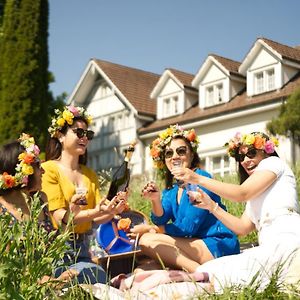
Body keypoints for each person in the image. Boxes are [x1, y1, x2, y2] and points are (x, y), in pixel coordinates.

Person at [172, 131, 300, 291]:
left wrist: (197, 178)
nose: (246, 161)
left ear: (266, 152)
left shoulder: (273, 162)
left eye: (251, 153)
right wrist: (211, 206)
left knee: (222, 276)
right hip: (270, 246)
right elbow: (242, 227)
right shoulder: (255, 196)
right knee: (213, 269)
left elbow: (241, 193)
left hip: (288, 238)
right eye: (241, 157)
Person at [130, 124, 240, 273]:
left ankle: (202, 274)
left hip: (217, 243)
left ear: (192, 155)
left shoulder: (201, 179)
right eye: (169, 153)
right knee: (143, 269)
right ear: (164, 160)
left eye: (181, 151)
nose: (174, 156)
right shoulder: (172, 189)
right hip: (193, 243)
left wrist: (150, 229)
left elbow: (188, 227)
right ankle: (191, 270)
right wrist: (155, 199)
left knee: (147, 241)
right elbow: (160, 219)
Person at [42, 105, 128, 284]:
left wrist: (113, 211)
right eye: (78, 133)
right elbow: (60, 217)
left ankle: (59, 283)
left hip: (83, 247)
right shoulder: (48, 169)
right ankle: (56, 282)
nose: (84, 138)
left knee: (97, 276)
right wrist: (98, 212)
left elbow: (96, 218)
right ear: (60, 135)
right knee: (96, 277)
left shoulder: (89, 174)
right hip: (57, 247)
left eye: (87, 135)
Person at [0, 133, 78, 285]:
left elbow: (55, 244)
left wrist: (71, 210)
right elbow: (7, 267)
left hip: (53, 276)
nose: (43, 171)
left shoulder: (40, 199)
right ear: (23, 172)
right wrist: (45, 282)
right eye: (37, 166)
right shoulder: (2, 211)